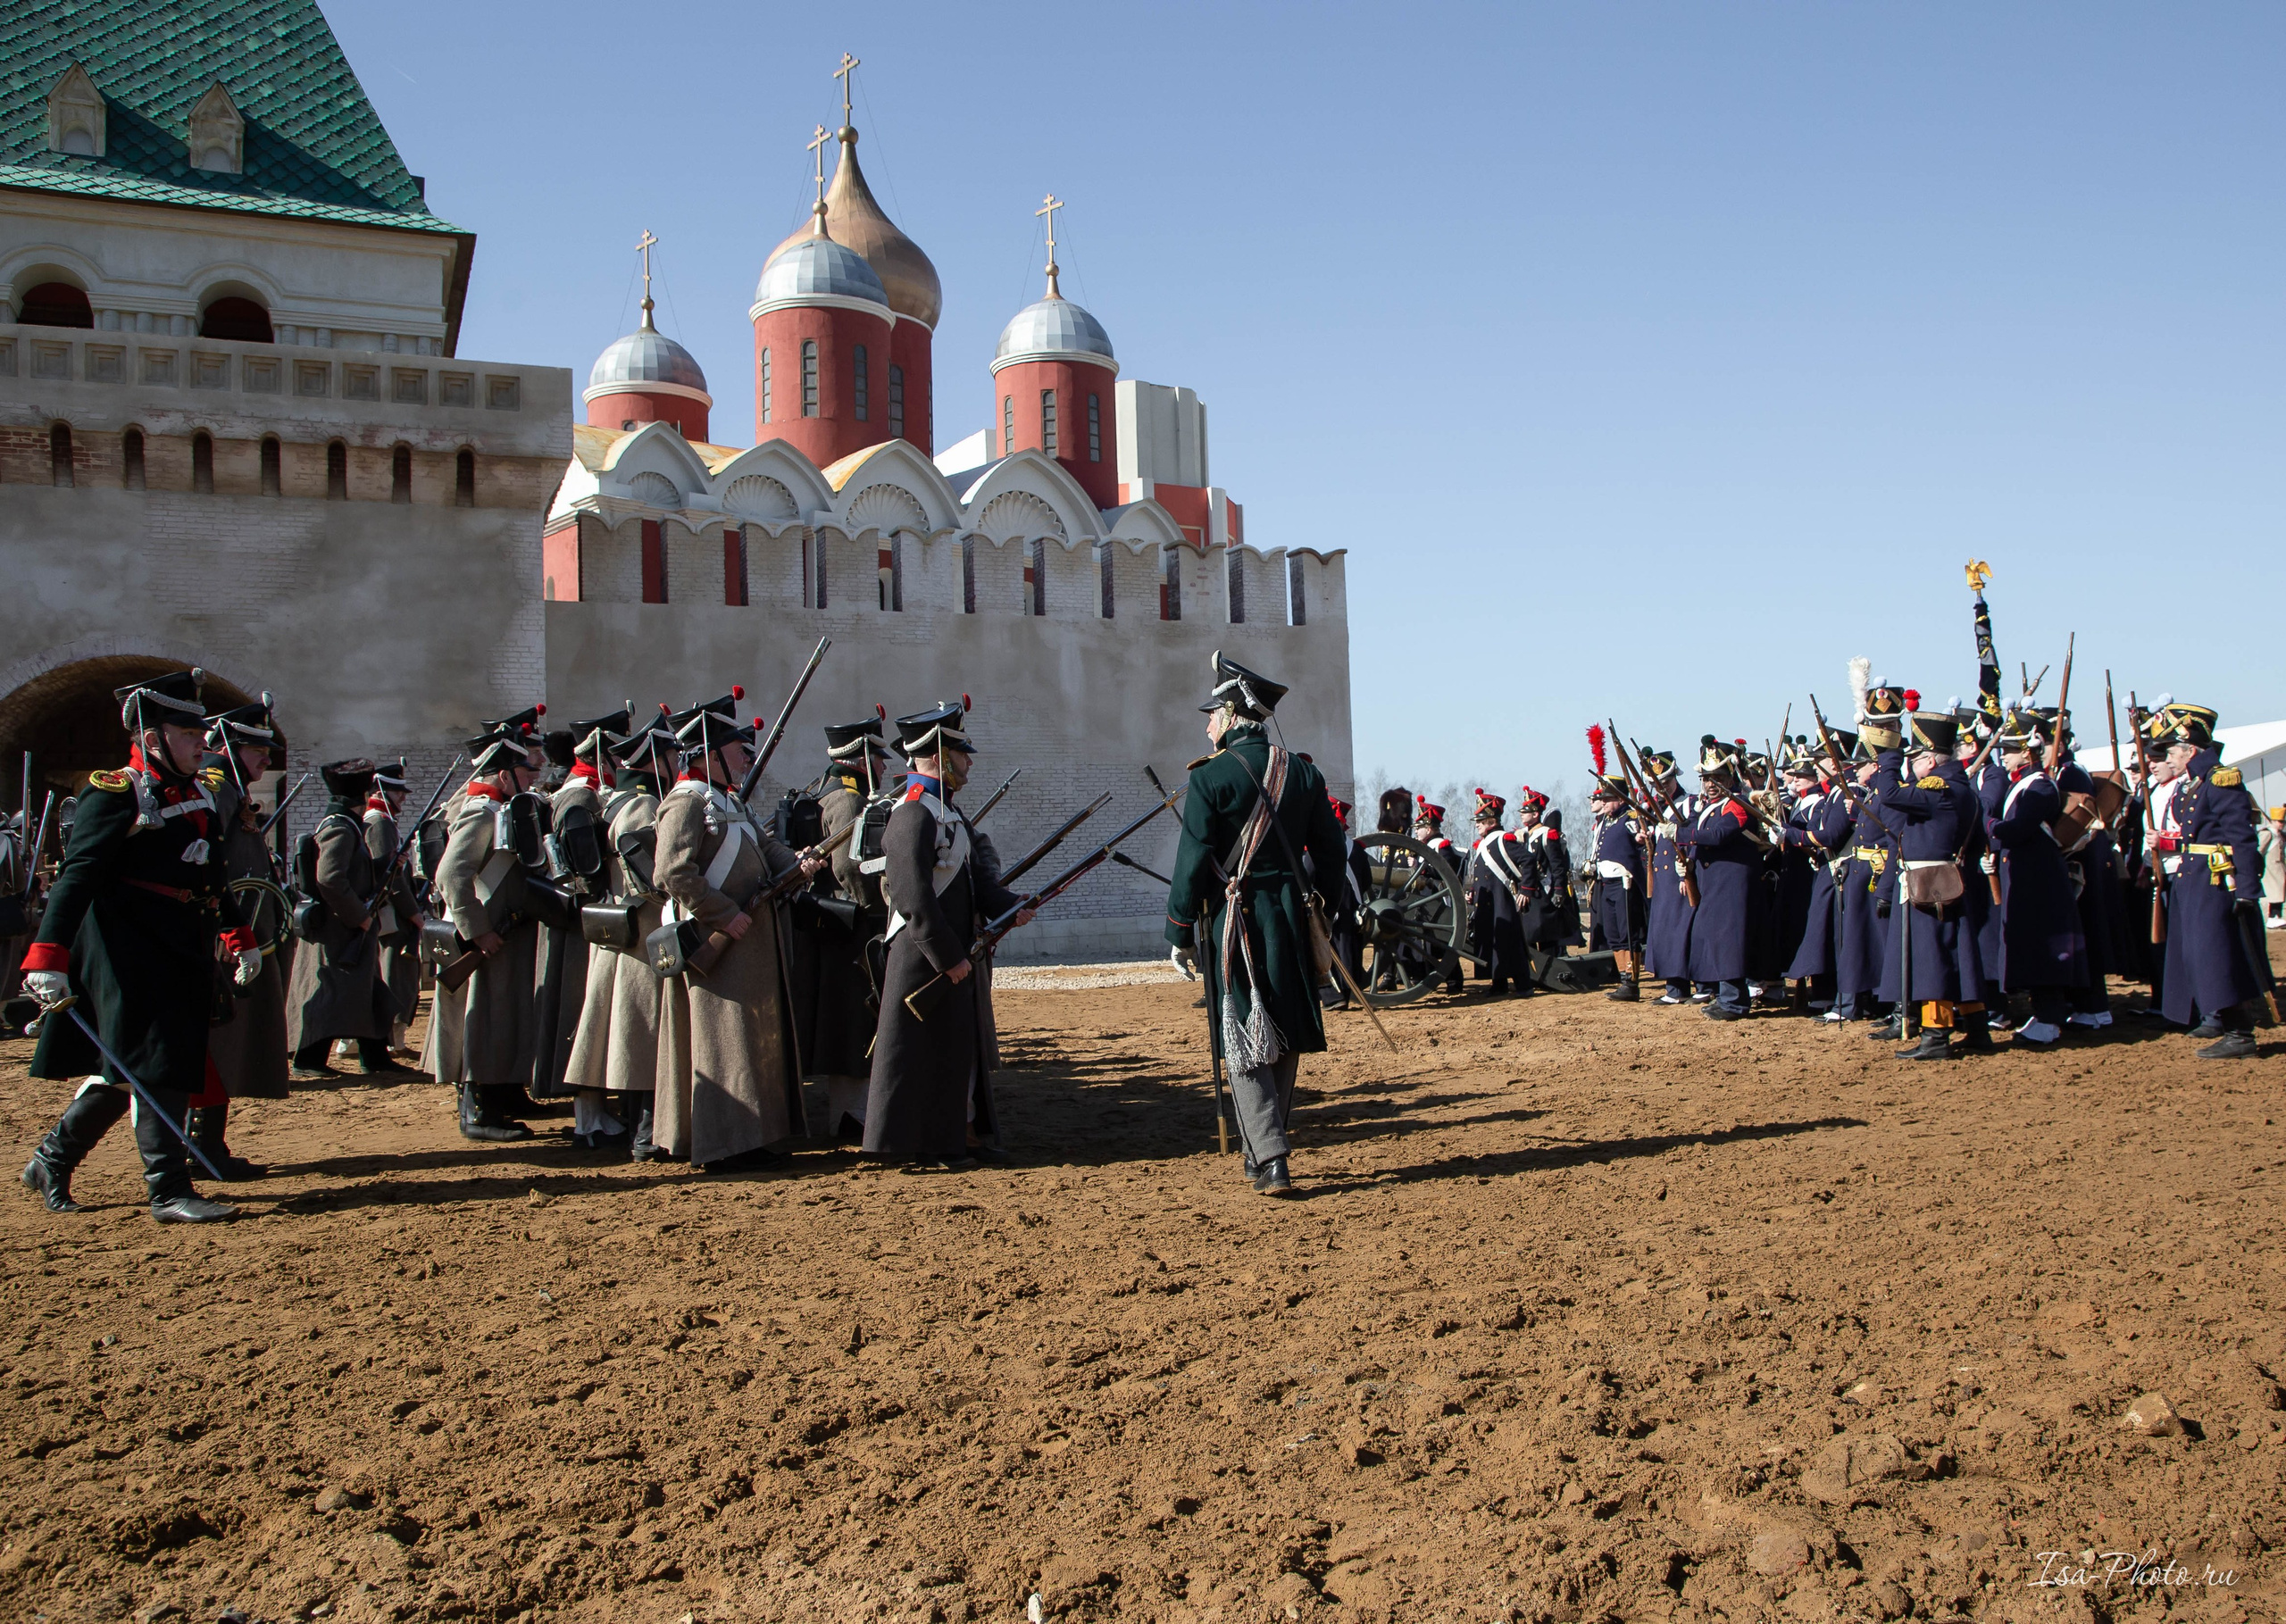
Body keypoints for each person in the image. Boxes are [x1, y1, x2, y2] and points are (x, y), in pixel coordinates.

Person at [19, 669, 260, 1222]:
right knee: (157, 1064)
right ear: (152, 740)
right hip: (125, 948)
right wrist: (48, 957)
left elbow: (210, 877)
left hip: (179, 945)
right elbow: (76, 879)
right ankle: (168, 1189)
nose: (203, 743)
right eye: (187, 734)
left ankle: (51, 1159)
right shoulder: (115, 793)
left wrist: (238, 936)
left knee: (129, 1068)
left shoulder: (199, 792)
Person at [1164, 654, 1345, 1195]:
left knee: (1243, 1032)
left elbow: (1192, 861)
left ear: (1234, 713)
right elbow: (1332, 855)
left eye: (1213, 714)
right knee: (1283, 1028)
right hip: (1290, 915)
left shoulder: (1211, 777)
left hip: (1232, 922)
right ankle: (1259, 1148)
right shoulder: (1305, 774)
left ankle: (1270, 1157)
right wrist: (1323, 914)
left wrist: (1177, 931)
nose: (1207, 725)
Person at [863, 698, 1033, 1168]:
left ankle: (953, 1137)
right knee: (921, 1054)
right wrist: (947, 955)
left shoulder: (948, 814)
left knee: (952, 1051)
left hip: (951, 953)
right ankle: (922, 1145)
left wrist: (1012, 906)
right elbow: (912, 896)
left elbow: (976, 883)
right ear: (938, 754)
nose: (969, 761)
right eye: (962, 753)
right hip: (924, 955)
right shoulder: (913, 813)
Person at [654, 693, 822, 1170]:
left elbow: (768, 850)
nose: (747, 756)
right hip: (721, 944)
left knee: (750, 1042)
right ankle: (722, 1142)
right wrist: (723, 913)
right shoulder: (684, 803)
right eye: (737, 748)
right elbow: (672, 873)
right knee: (721, 1044)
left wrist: (800, 865)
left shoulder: (727, 800)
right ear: (708, 753)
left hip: (752, 945)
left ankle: (753, 1134)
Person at [426, 711, 547, 1140]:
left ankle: (503, 1093)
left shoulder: (498, 807)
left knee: (502, 1018)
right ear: (503, 774)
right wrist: (477, 930)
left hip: (502, 930)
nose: (532, 777)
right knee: (482, 1020)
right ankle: (476, 1108)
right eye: (524, 771)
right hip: (485, 935)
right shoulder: (483, 811)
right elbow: (451, 875)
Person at [562, 713, 679, 1157]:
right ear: (655, 760)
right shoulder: (642, 805)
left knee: (630, 1035)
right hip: (641, 933)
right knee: (642, 1037)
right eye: (670, 755)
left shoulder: (617, 800)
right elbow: (650, 876)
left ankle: (636, 1126)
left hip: (624, 931)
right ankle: (646, 1134)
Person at [198, 698, 291, 1172]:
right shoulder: (216, 786)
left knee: (229, 1044)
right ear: (231, 746)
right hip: (225, 938)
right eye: (257, 749)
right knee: (218, 1043)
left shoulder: (230, 788)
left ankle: (209, 1143)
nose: (266, 759)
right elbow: (208, 863)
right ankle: (201, 1144)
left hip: (243, 933)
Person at [2144, 702, 2265, 1059]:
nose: (2170, 759)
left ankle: (2240, 1032)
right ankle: (2221, 1020)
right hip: (2192, 878)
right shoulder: (2193, 785)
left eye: (2172, 751)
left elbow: (2241, 838)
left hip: (2214, 882)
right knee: (2197, 956)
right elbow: (2189, 836)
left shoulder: (2220, 780)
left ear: (2190, 750)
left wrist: (2247, 890)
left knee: (2215, 955)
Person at [1873, 707, 1993, 1060]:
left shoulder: (1940, 790)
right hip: (1946, 879)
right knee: (1960, 957)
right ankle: (1977, 1027)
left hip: (1929, 882)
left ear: (1928, 760)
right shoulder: (1961, 789)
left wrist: (1890, 757)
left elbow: (1890, 795)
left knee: (1932, 959)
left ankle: (1936, 1035)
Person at [801, 717, 897, 1139]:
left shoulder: (827, 791)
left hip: (840, 923)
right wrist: (881, 905)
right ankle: (850, 1117)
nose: (881, 767)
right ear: (862, 758)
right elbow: (849, 868)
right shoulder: (847, 801)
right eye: (876, 758)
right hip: (852, 925)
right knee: (855, 1024)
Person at [1978, 708, 2090, 1047]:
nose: (2004, 756)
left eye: (2010, 750)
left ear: (2028, 751)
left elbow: (2017, 829)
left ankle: (2050, 1018)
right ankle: (2042, 1014)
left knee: (2045, 952)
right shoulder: (2024, 785)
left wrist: (1987, 825)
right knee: (2030, 948)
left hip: (2041, 881)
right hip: (2025, 878)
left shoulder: (2040, 787)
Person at [533, 712, 628, 1109]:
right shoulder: (582, 796)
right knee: (581, 1013)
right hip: (581, 922)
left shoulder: (584, 791)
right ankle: (587, 1115)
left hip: (581, 919)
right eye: (618, 756)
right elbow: (587, 874)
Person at [287, 758, 396, 1079]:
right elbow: (330, 879)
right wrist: (359, 916)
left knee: (366, 990)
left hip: (347, 927)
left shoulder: (345, 826)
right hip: (340, 929)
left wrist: (387, 864)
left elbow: (354, 874)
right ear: (362, 797)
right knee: (329, 997)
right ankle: (308, 1060)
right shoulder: (339, 828)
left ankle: (375, 1056)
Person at [1678, 737, 1765, 1020]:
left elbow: (1718, 835)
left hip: (1732, 884)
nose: (1711, 784)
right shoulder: (1712, 806)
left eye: (1719, 777)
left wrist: (1679, 834)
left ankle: (1735, 1002)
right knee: (1718, 940)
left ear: (1731, 777)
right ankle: (1726, 996)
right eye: (1706, 778)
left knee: (1730, 943)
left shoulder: (1737, 805)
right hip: (1715, 885)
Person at [1775, 743, 1852, 1014]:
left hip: (1825, 873)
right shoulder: (1818, 799)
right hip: (1811, 874)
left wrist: (1789, 834)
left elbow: (1826, 836)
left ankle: (1829, 997)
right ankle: (1819, 995)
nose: (1795, 780)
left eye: (1802, 775)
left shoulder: (1828, 798)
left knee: (1826, 937)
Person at [364, 757, 425, 1058]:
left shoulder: (380, 821)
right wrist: (413, 912)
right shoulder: (381, 824)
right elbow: (391, 875)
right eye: (395, 791)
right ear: (379, 792)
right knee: (398, 975)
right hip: (393, 912)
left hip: (388, 910)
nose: (401, 796)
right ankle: (394, 1040)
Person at [1639, 748, 1698, 1004]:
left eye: (1665, 783)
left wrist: (1688, 876)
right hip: (1662, 880)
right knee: (1666, 933)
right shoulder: (1654, 808)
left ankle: (1702, 986)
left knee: (1685, 932)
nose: (1661, 788)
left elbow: (1694, 840)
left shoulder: (1689, 803)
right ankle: (1675, 988)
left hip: (1680, 878)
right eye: (1655, 784)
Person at [1464, 790, 1531, 995]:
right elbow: (1482, 875)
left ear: (1492, 820)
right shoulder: (1483, 844)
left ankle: (1524, 986)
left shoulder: (1503, 840)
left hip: (1503, 900)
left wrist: (1526, 890)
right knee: (1492, 943)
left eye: (1481, 821)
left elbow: (1528, 860)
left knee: (1511, 943)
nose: (1477, 824)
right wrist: (1474, 893)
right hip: (1488, 901)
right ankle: (1499, 983)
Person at [1588, 770, 1647, 1001]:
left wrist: (1642, 837)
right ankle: (1623, 977)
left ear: (1620, 799)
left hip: (1625, 882)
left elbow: (1642, 838)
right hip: (1607, 882)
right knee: (1614, 935)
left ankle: (1632, 982)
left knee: (1628, 934)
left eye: (1607, 799)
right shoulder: (1606, 821)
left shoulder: (1630, 817)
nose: (1603, 803)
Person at [1411, 796, 1465, 994]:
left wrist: (1420, 868)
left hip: (1439, 898)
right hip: (1425, 900)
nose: (1416, 831)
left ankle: (1454, 981)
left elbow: (1446, 870)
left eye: (1419, 827)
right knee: (1429, 944)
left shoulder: (1441, 845)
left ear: (1430, 828)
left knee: (1443, 942)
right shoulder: (1423, 847)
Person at [2262, 805, 2285, 928]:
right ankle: (2272, 917)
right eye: (2280, 821)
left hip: (2279, 868)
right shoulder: (2267, 833)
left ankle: (2277, 916)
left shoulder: (2280, 835)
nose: (2282, 824)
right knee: (2275, 893)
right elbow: (2259, 850)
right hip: (2271, 869)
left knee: (2280, 892)